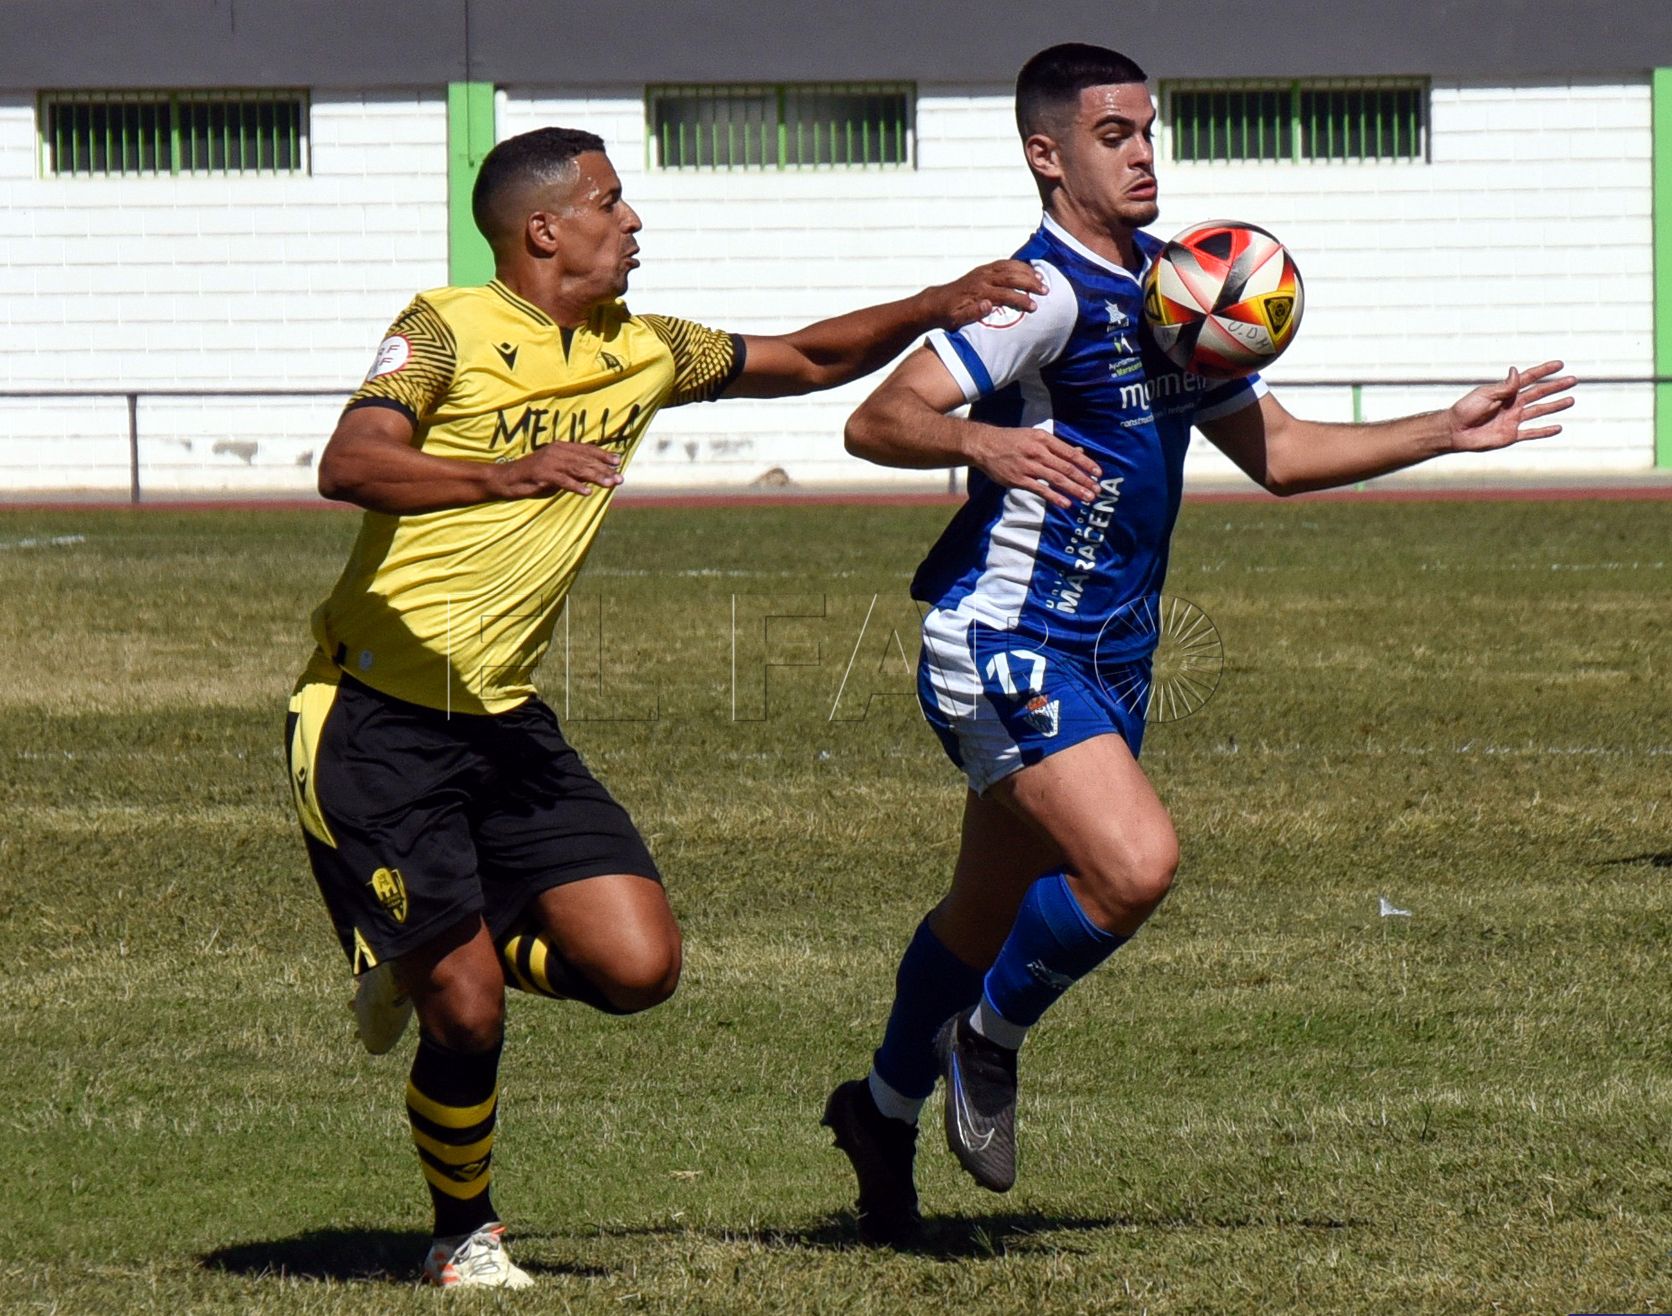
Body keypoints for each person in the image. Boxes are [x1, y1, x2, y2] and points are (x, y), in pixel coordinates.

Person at [822, 42, 1577, 1246]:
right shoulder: (1043, 294)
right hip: (1006, 638)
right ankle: (987, 1040)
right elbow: (879, 416)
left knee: (979, 911)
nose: (1139, 153)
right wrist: (986, 445)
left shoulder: (1177, 297)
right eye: (1112, 134)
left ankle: (879, 1108)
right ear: (1046, 153)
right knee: (1133, 864)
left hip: (1112, 655)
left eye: (1147, 131)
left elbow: (1274, 455)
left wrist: (1447, 425)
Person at [284, 125, 1043, 1288]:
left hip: (505, 720)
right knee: (469, 1012)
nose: (631, 220)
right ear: (546, 229)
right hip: (374, 717)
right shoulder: (445, 326)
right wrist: (500, 473)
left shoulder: (644, 349)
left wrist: (936, 300)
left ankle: (429, 954)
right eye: (609, 201)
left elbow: (803, 356)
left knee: (640, 966)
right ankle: (464, 1233)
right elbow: (351, 459)